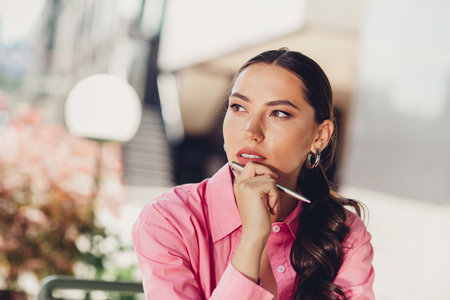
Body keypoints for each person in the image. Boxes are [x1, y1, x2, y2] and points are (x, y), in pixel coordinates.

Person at [133, 48, 374, 300]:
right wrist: (252, 239)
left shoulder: (345, 234)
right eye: (238, 107)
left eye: (279, 113)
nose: (250, 131)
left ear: (320, 136)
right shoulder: (169, 220)